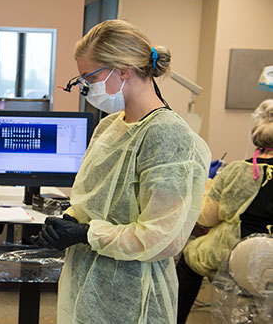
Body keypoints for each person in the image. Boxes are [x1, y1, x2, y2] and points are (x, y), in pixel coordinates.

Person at [31, 19, 211, 323]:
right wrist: (69, 222)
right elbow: (93, 199)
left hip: (134, 292)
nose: (85, 86)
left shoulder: (167, 135)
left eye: (90, 76)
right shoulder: (108, 127)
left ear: (124, 70)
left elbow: (161, 238)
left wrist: (86, 234)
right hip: (87, 281)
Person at [176, 99, 273, 323]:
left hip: (233, 253)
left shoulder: (237, 171)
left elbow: (207, 218)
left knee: (191, 257)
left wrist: (207, 185)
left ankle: (176, 318)